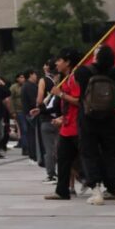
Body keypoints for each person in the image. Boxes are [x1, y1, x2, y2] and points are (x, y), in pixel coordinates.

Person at [75, 45, 115, 206]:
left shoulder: (84, 71)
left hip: (88, 118)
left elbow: (78, 82)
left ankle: (96, 191)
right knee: (113, 154)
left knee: (89, 153)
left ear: (96, 56)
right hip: (109, 118)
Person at [45, 48, 82, 200]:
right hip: (67, 126)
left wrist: (60, 94)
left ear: (67, 62)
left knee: (86, 159)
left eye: (59, 60)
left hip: (76, 126)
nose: (57, 63)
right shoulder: (67, 77)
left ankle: (106, 185)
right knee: (63, 159)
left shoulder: (74, 78)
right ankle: (62, 191)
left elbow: (79, 101)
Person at [34, 61, 62, 184]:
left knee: (49, 149)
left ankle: (51, 174)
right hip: (61, 118)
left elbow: (40, 98)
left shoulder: (43, 80)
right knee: (60, 148)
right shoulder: (62, 81)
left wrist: (38, 106)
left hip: (46, 117)